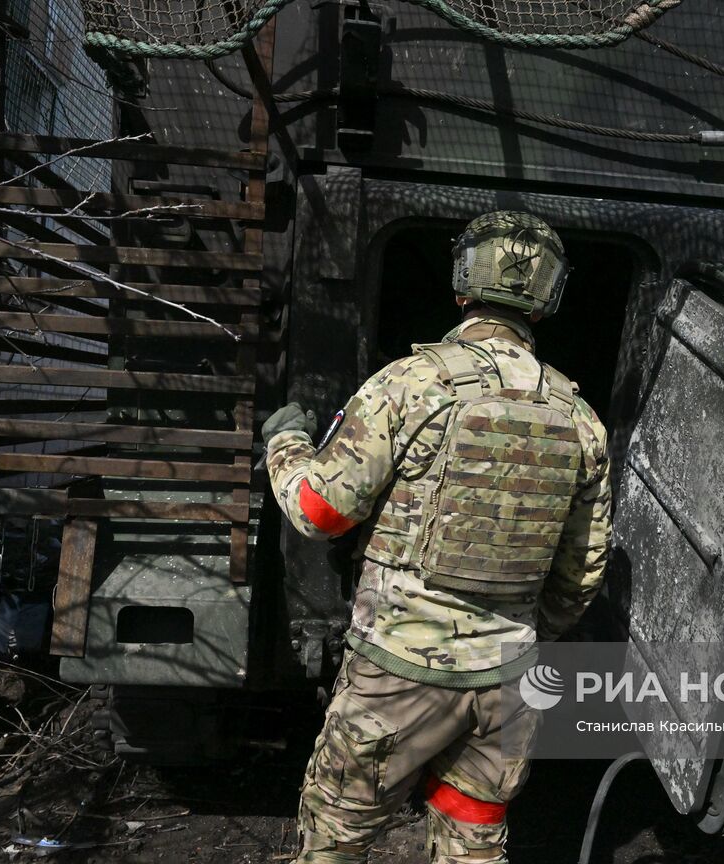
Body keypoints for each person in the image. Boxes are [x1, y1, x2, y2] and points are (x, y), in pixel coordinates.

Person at [261, 211, 612, 863]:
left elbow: (319, 512)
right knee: (473, 838)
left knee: (336, 837)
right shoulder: (579, 418)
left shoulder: (410, 386)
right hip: (507, 685)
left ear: (461, 286)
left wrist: (286, 445)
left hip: (398, 673)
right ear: (549, 300)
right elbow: (581, 573)